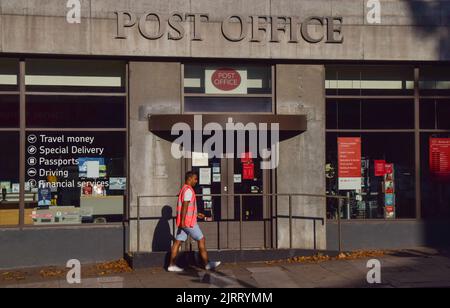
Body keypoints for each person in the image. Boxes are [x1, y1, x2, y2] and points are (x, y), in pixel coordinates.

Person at [168, 171, 221, 272]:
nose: (196, 181)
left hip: (184, 222)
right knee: (201, 239)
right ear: (189, 179)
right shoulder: (188, 191)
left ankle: (171, 265)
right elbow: (185, 206)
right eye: (195, 179)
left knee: (177, 242)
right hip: (189, 222)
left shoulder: (183, 189)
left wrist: (196, 214)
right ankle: (206, 264)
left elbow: (187, 208)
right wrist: (184, 221)